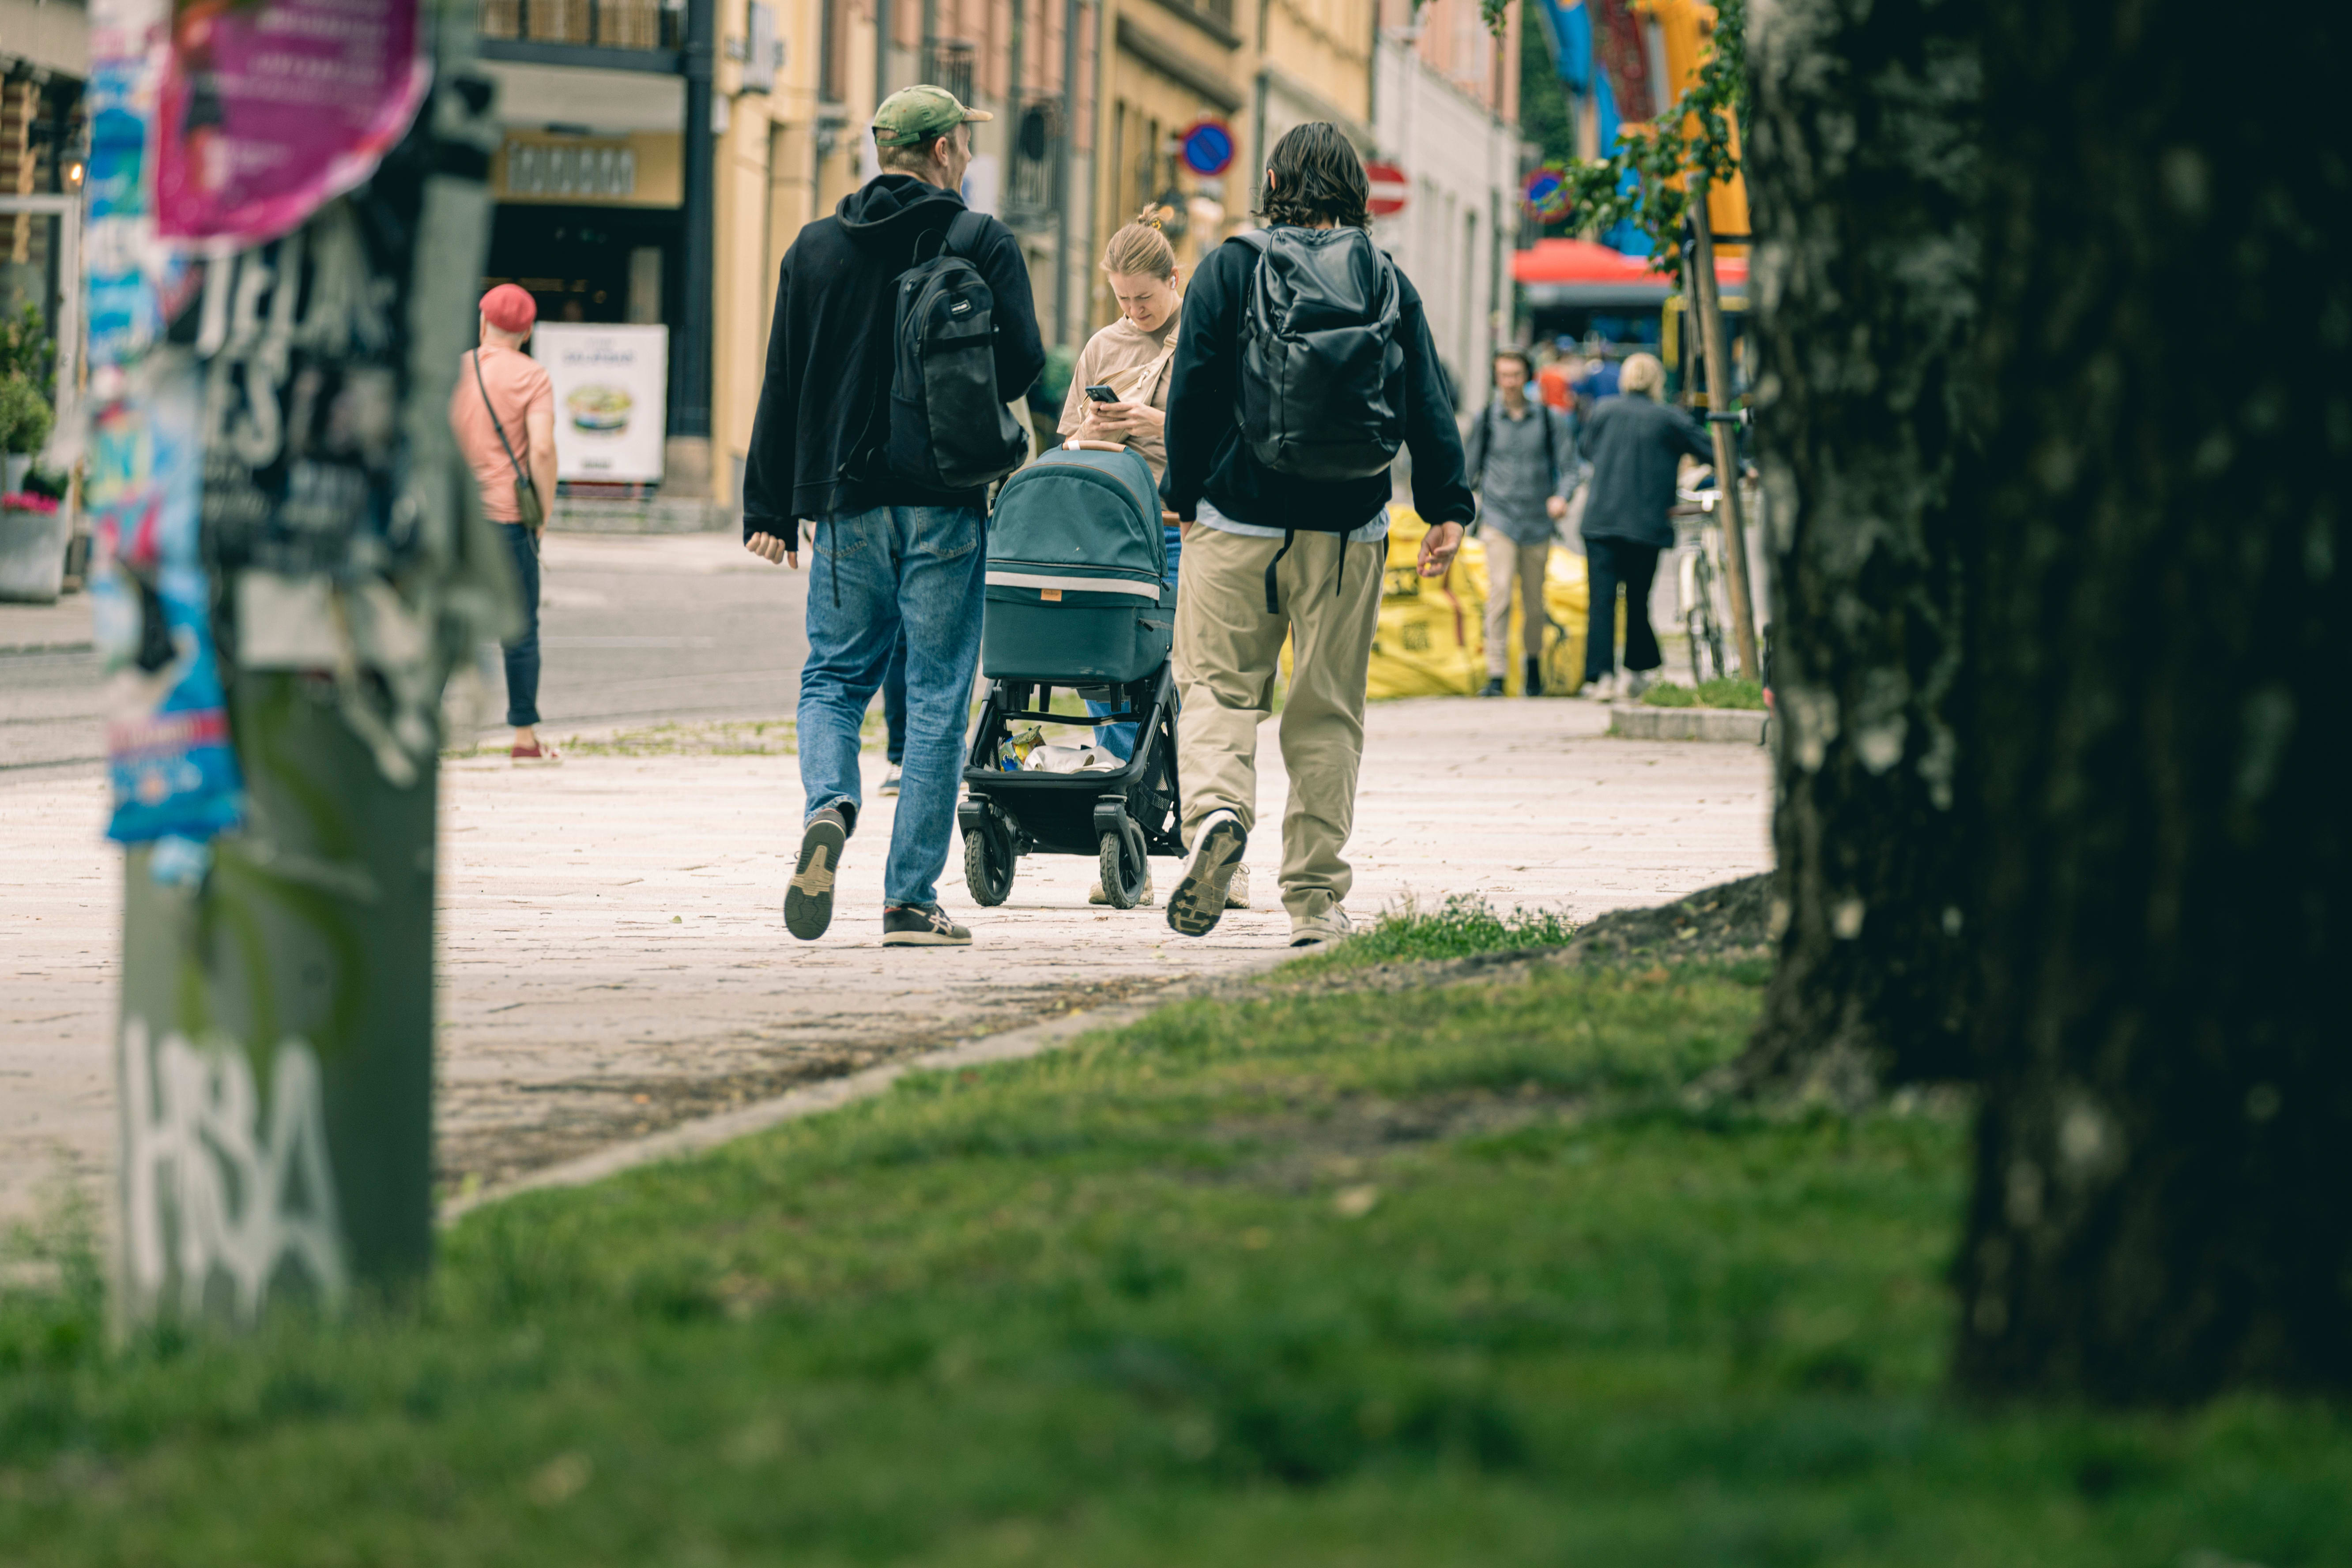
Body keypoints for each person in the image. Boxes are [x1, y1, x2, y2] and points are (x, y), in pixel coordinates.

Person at [740, 84, 1044, 948]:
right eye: (967, 146)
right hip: (945, 502)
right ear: (945, 150)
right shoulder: (978, 240)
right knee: (941, 694)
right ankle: (909, 900)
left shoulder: (814, 249)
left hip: (843, 508)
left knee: (833, 680)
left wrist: (769, 505)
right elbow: (1021, 363)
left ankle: (830, 804)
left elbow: (784, 380)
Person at [1158, 121, 1474, 947]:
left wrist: (1179, 492)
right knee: (1328, 712)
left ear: (1268, 179)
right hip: (1348, 529)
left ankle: (1219, 813)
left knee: (1218, 688)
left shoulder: (1231, 265)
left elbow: (1191, 388)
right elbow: (1425, 398)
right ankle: (1311, 900)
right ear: (1357, 192)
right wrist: (1447, 504)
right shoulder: (1384, 278)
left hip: (1234, 519)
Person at [1055, 210, 1250, 912]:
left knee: (1194, 687)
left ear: (1176, 280)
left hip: (1182, 528)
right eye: (1122, 300)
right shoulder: (1102, 347)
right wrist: (1095, 428)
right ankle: (1130, 822)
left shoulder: (1204, 337)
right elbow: (1068, 443)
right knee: (1102, 676)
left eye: (1145, 298)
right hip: (1108, 534)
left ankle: (1216, 842)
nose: (1133, 312)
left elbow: (1230, 438)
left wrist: (1152, 424)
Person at [448, 282, 559, 763]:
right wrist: (543, 512)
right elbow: (541, 449)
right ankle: (524, 737)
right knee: (519, 628)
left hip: (457, 516)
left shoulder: (456, 371)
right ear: (528, 330)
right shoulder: (534, 378)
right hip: (509, 519)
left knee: (445, 621)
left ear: (482, 322)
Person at [1576, 350, 1711, 700]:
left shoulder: (1603, 411)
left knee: (1601, 602)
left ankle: (1600, 677)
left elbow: (1587, 450)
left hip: (1601, 521)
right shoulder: (1669, 419)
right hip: (1645, 523)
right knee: (1638, 599)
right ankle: (1636, 671)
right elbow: (1711, 450)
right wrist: (1746, 471)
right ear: (1657, 381)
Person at [1464, 349, 1577, 698]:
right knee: (1498, 594)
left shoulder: (1548, 420)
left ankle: (1533, 666)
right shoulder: (1486, 420)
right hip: (1498, 520)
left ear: (1526, 378)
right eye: (1503, 376)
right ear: (1496, 379)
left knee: (1534, 601)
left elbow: (1572, 468)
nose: (1510, 383)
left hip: (1537, 523)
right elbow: (1467, 473)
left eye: (1515, 375)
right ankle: (1496, 674)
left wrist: (1562, 497)